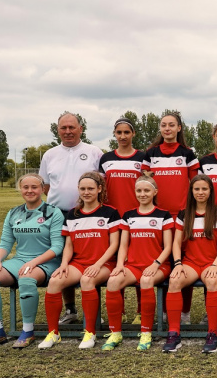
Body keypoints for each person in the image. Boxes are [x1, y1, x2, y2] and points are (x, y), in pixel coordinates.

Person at [38, 172, 121, 349]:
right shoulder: (72, 214)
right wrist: (64, 265)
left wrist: (98, 264)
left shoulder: (110, 212)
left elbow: (114, 245)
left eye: (91, 188)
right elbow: (68, 245)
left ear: (99, 189)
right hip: (78, 263)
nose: (86, 192)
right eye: (82, 188)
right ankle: (53, 333)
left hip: (104, 263)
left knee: (87, 280)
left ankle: (89, 333)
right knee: (54, 281)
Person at [0, 174, 64, 349]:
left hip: (47, 262)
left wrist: (34, 262)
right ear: (20, 189)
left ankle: (27, 331)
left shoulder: (53, 212)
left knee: (26, 278)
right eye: (25, 187)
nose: (30, 191)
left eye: (34, 187)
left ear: (42, 189)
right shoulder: (13, 212)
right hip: (20, 260)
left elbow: (57, 247)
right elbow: (5, 243)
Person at [39, 112, 103, 325]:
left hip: (89, 213)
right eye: (63, 128)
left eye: (71, 127)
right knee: (63, 260)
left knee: (93, 259)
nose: (67, 131)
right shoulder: (49, 154)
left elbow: (102, 183)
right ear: (58, 130)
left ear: (80, 129)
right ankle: (71, 310)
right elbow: (46, 186)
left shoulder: (94, 152)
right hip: (58, 214)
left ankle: (96, 310)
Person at [101, 175, 173, 351]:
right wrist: (119, 265)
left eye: (146, 190)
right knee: (113, 281)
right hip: (133, 265)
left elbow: (168, 246)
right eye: (139, 190)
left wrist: (155, 264)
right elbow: (123, 245)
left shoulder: (164, 215)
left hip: (158, 265)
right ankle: (115, 332)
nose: (142, 194)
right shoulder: (128, 216)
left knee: (147, 281)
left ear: (155, 192)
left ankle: (146, 332)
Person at [162, 175, 217, 353]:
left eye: (204, 189)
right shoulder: (184, 214)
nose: (200, 192)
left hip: (215, 262)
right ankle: (174, 334)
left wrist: (215, 265)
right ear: (191, 192)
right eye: (196, 189)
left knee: (212, 281)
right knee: (175, 281)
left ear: (210, 191)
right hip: (191, 263)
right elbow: (176, 243)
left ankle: (212, 334)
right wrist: (177, 264)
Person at [142, 111, 199, 324]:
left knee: (184, 262)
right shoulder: (151, 153)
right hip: (158, 217)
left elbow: (195, 185)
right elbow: (146, 184)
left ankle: (184, 312)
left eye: (171, 125)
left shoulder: (187, 153)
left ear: (179, 128)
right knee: (162, 262)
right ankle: (165, 311)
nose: (167, 128)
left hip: (183, 216)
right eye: (164, 125)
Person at [99, 117, 147, 325]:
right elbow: (100, 186)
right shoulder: (106, 158)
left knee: (136, 263)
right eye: (119, 132)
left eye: (127, 132)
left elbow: (148, 185)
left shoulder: (142, 157)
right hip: (112, 219)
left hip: (136, 218)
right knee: (116, 266)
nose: (123, 136)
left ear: (133, 134)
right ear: (114, 134)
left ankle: (139, 311)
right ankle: (117, 312)